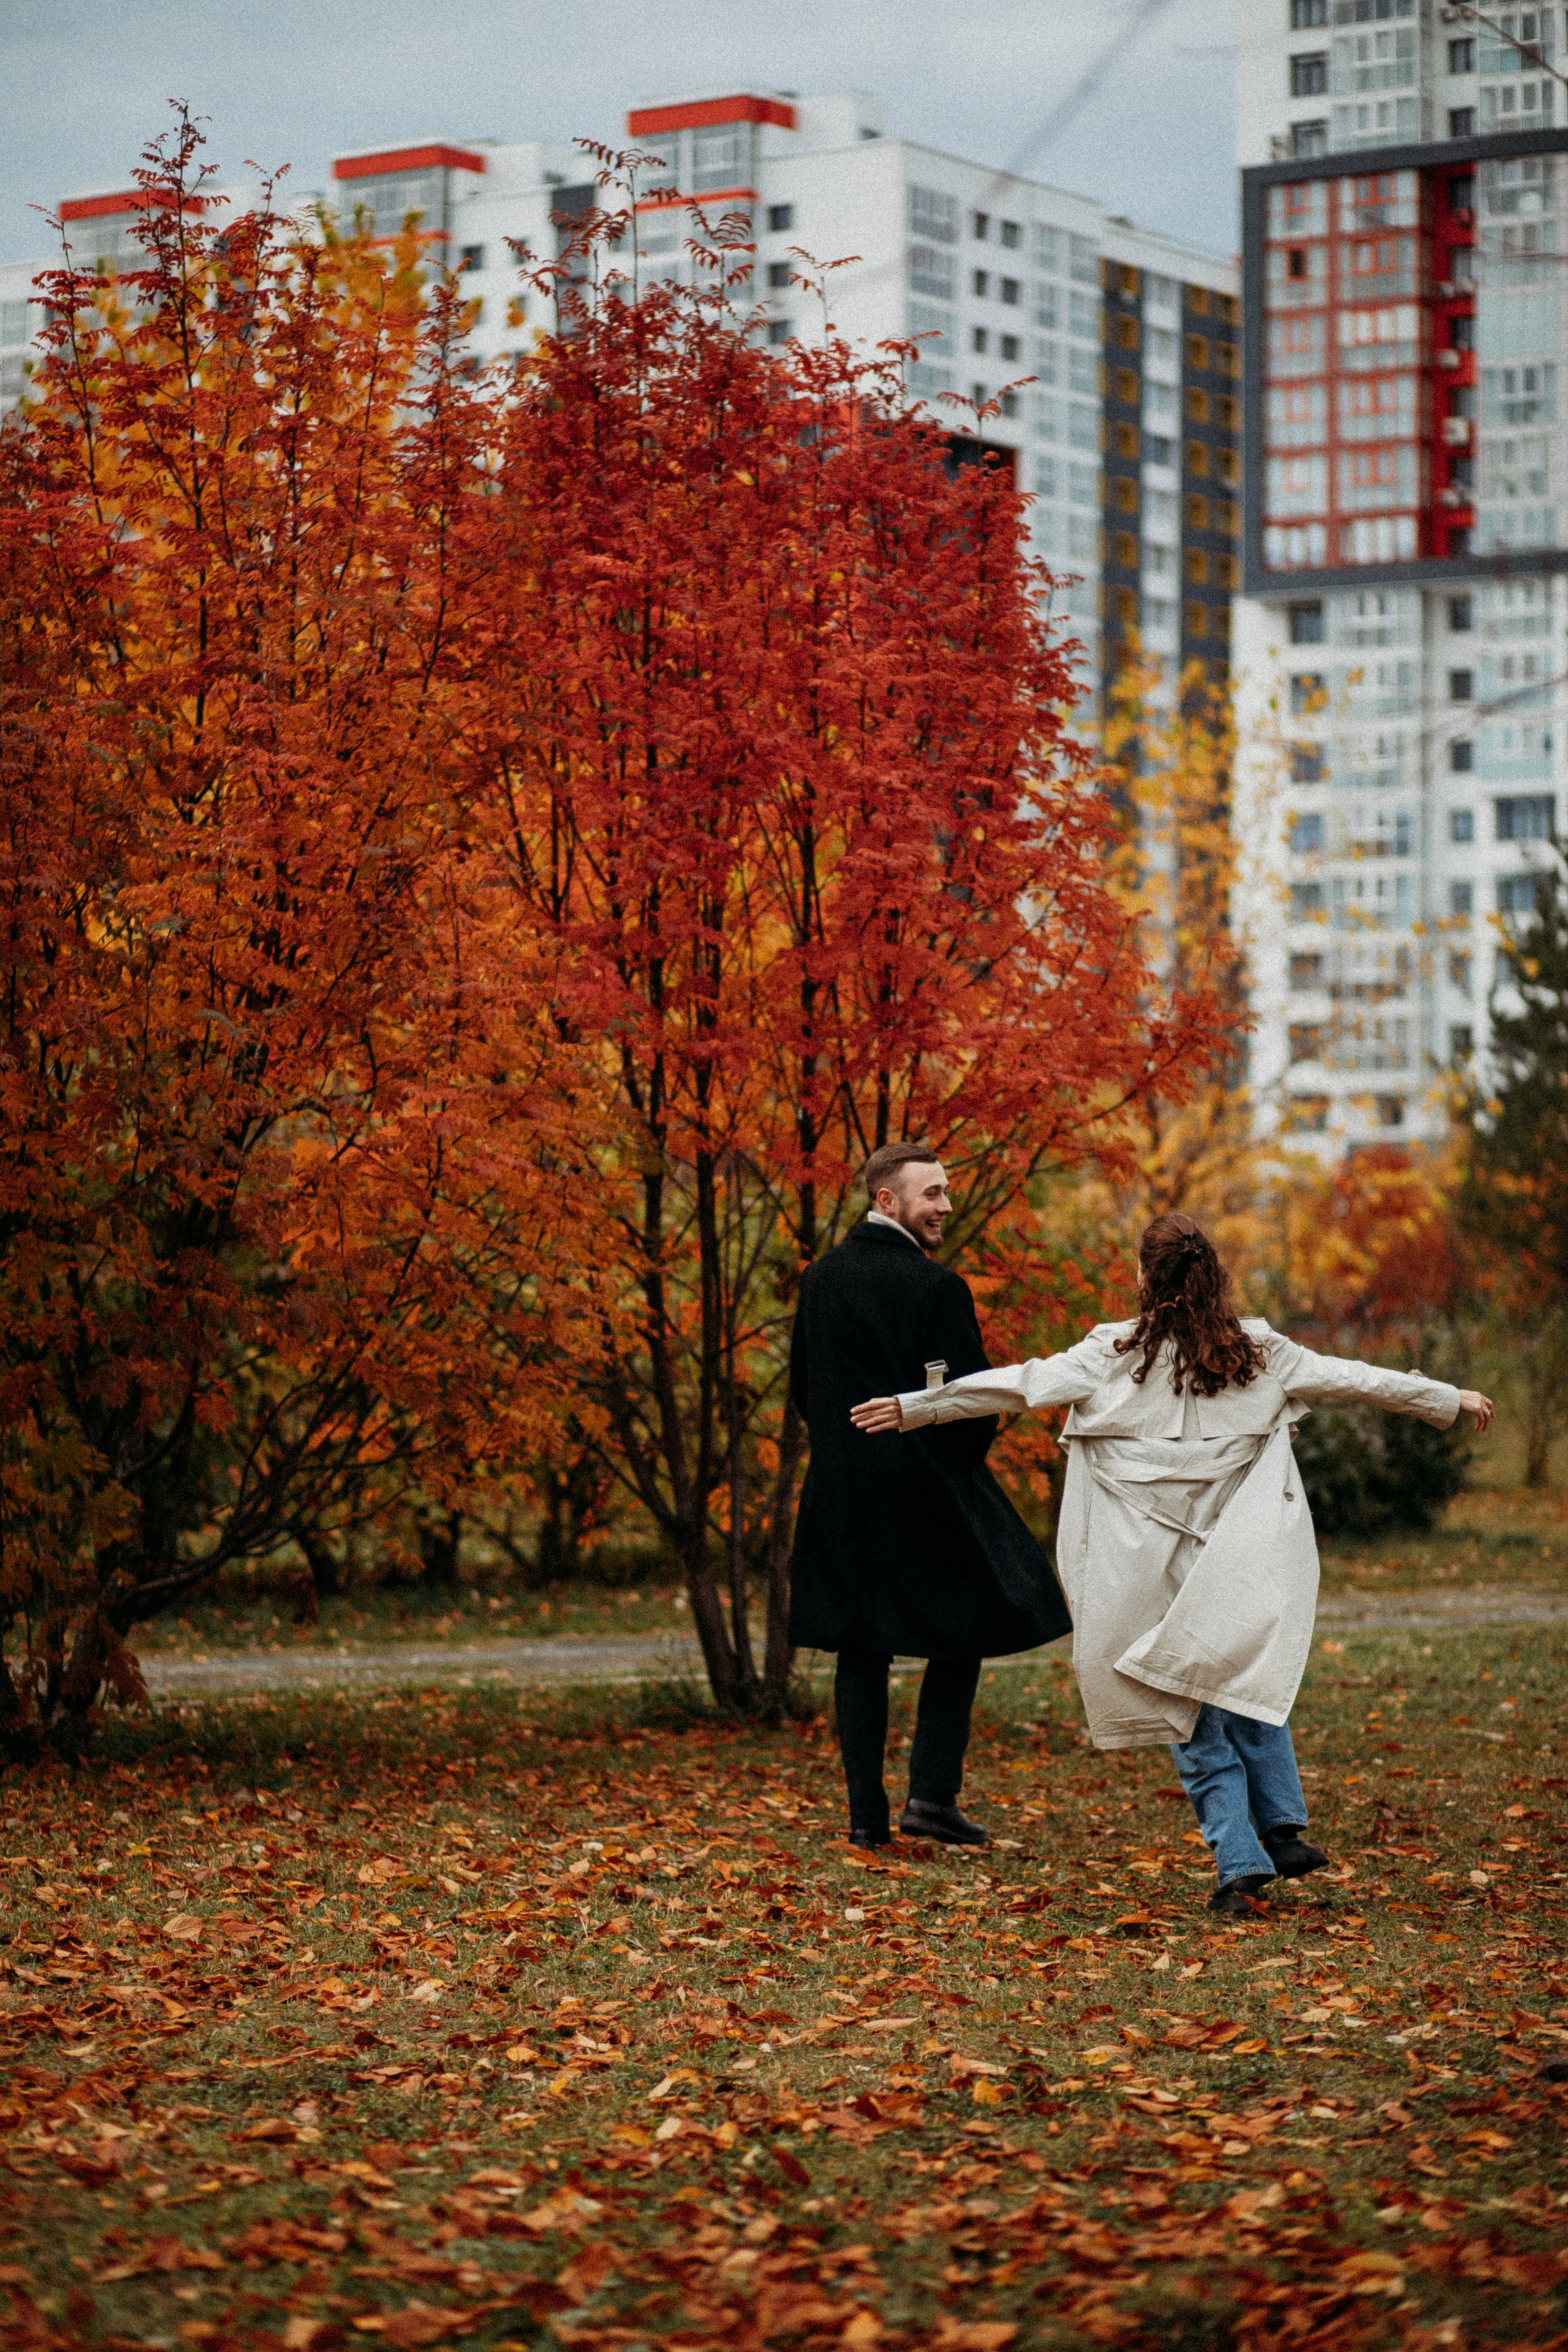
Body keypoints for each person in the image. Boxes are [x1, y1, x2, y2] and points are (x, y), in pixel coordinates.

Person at [850, 1212, 1494, 1915]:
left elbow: (1018, 1384)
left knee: (1183, 1711)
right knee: (1241, 1677)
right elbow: (1355, 1378)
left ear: (1143, 1277)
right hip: (1233, 1558)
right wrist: (1447, 1398)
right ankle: (1281, 1829)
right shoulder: (1260, 1352)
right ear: (1211, 1274)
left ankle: (1241, 1864)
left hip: (1145, 1566)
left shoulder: (1109, 1355)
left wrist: (917, 1406)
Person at [788, 1143, 1071, 1850]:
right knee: (966, 1625)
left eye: (945, 1191)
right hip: (925, 1490)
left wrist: (842, 1453)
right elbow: (974, 1400)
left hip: (841, 1492)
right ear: (886, 1200)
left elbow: (802, 1389)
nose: (945, 1205)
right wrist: (951, 1467)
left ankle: (866, 1819)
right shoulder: (936, 1286)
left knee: (860, 1647)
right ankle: (932, 1797)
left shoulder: (819, 1279)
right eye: (932, 1194)